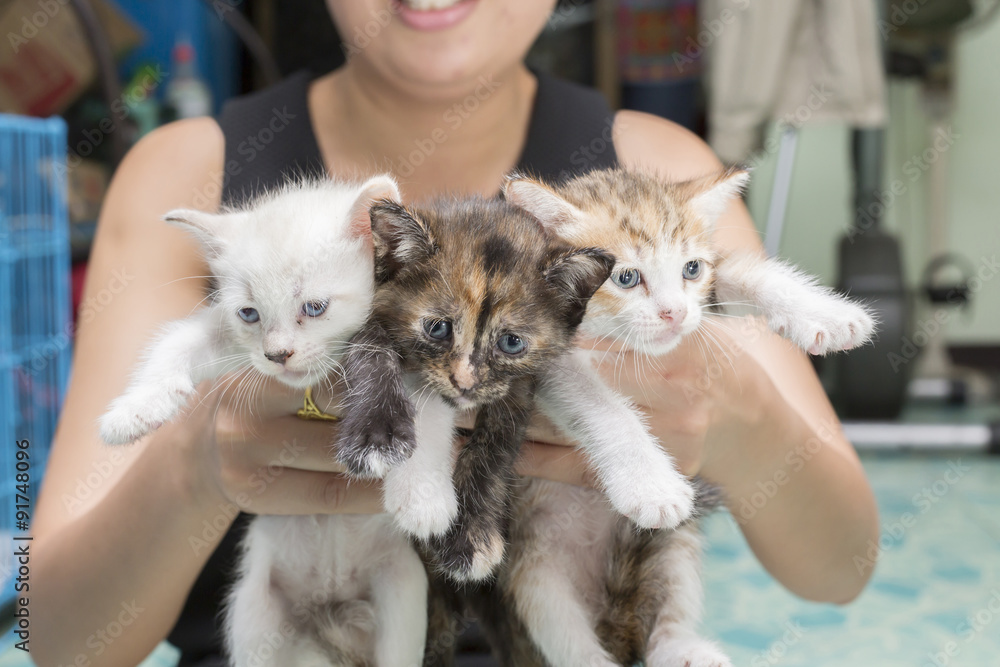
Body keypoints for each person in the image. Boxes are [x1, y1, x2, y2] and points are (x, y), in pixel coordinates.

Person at [29, 1, 879, 665]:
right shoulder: (192, 182)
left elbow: (840, 567)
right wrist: (193, 466)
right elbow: (57, 636)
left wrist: (737, 415)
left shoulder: (650, 173)